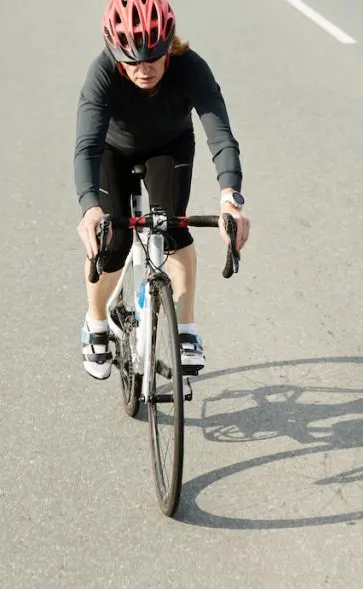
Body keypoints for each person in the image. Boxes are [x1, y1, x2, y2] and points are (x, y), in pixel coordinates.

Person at [73, 0, 250, 381]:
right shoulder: (102, 73)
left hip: (169, 146)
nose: (144, 69)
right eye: (132, 61)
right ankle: (96, 321)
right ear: (115, 52)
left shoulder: (191, 68)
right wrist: (90, 209)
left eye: (154, 56)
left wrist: (230, 199)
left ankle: (185, 331)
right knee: (112, 240)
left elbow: (220, 136)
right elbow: (86, 147)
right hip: (111, 150)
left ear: (169, 43)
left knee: (172, 228)